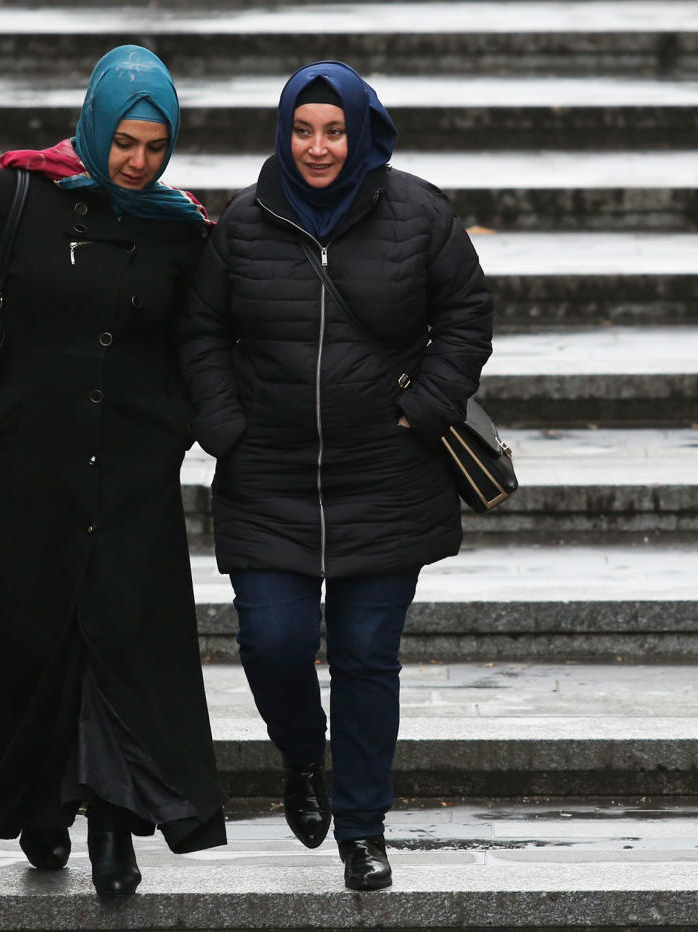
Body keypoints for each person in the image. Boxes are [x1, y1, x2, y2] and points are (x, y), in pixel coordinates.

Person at [0, 45, 226, 898]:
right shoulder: (17, 193)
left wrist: (179, 426)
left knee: (117, 646)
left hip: (131, 477)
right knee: (36, 642)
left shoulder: (180, 226)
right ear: (96, 124)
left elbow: (200, 342)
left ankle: (113, 830)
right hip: (29, 472)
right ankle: (40, 805)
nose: (137, 161)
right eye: (125, 141)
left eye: (154, 146)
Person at [179, 61, 492, 891]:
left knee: (364, 655)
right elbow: (201, 331)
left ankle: (362, 828)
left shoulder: (420, 214)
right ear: (284, 132)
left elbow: (466, 316)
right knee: (272, 643)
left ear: (360, 132)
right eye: (302, 129)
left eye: (334, 129)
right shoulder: (244, 224)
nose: (317, 147)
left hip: (386, 478)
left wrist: (424, 409)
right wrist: (223, 427)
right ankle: (301, 759)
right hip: (268, 476)